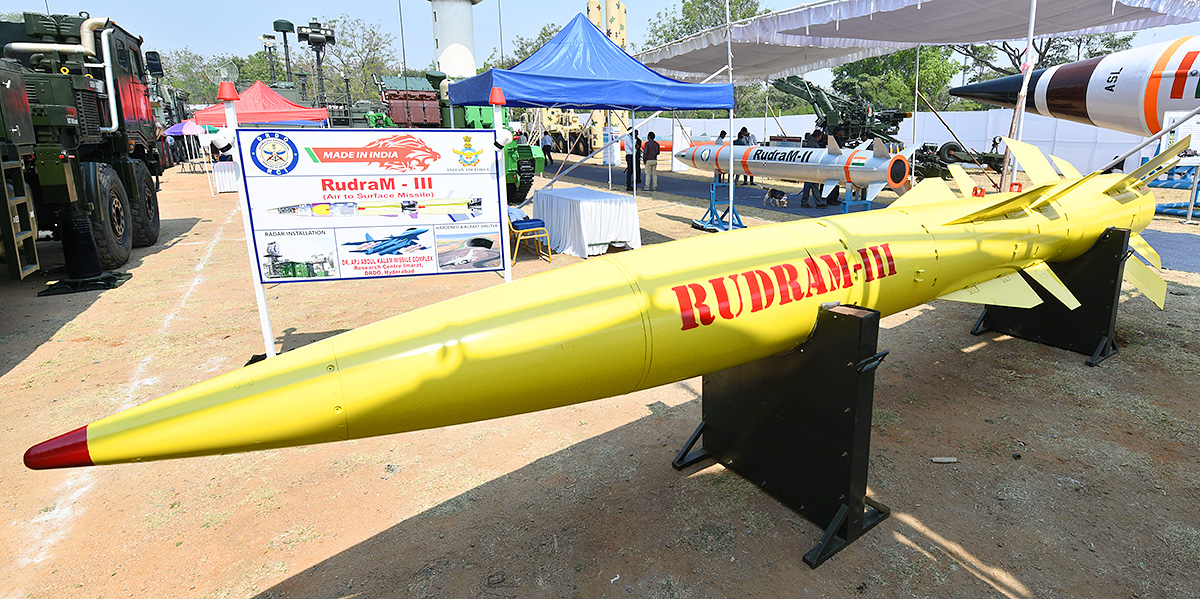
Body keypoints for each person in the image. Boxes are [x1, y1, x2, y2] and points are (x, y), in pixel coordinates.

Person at [800, 129, 825, 208]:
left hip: (810, 168)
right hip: (812, 168)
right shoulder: (813, 144)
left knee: (810, 186)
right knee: (813, 186)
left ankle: (806, 201)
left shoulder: (810, 142)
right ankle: (817, 203)